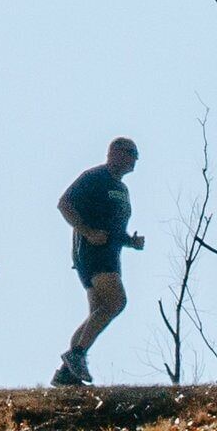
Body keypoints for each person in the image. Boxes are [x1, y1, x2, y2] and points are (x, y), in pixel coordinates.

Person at [50, 137, 143, 387]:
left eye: (136, 154)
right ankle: (76, 355)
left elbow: (114, 226)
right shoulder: (94, 177)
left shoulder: (122, 189)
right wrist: (87, 231)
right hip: (92, 253)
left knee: (97, 313)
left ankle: (66, 374)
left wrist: (130, 241)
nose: (135, 158)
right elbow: (64, 204)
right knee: (116, 302)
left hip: (111, 254)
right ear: (114, 152)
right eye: (131, 152)